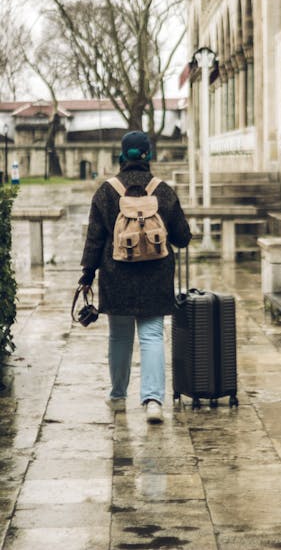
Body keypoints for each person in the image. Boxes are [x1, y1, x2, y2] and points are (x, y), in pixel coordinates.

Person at [79, 130, 191, 424]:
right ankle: (153, 401)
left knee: (119, 336)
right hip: (156, 275)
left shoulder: (106, 191)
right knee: (152, 336)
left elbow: (94, 238)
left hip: (116, 275)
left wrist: (87, 274)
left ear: (121, 156)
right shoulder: (162, 190)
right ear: (148, 155)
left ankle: (117, 397)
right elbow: (182, 237)